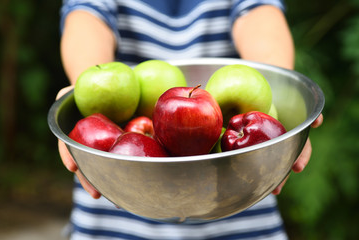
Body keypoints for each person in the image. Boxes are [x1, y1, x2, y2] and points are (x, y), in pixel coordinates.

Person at [57, 0, 324, 239]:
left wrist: (282, 93)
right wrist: (82, 88)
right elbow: (87, 17)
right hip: (116, 199)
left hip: (240, 199)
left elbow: (259, 15)